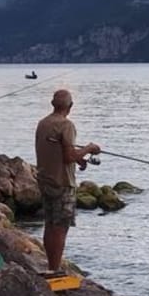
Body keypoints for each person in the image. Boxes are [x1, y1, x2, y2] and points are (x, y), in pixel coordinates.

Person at [35, 88, 101, 273]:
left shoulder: (43, 123)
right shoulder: (67, 125)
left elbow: (58, 150)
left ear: (52, 104)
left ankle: (50, 268)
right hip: (62, 183)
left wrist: (80, 159)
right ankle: (54, 270)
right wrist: (89, 149)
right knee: (60, 228)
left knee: (50, 225)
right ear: (70, 106)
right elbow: (68, 156)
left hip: (45, 179)